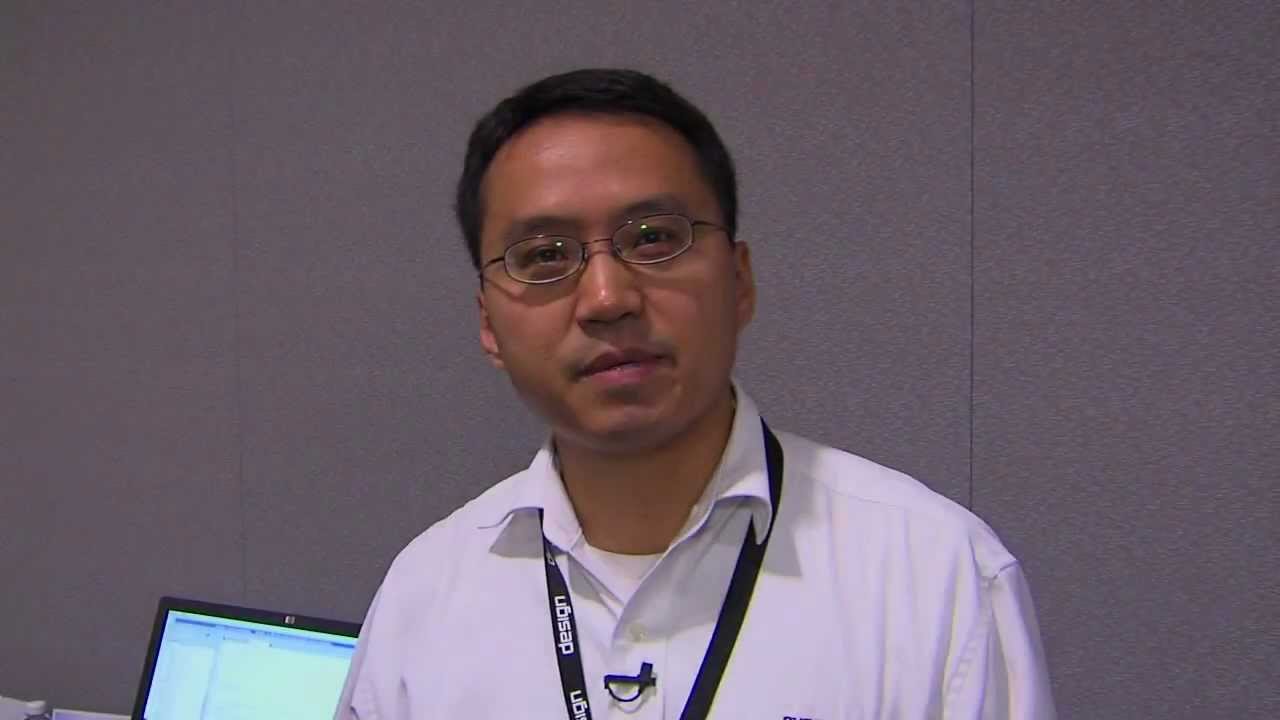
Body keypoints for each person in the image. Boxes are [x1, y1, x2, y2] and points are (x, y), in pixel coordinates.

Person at [335, 68, 1056, 719]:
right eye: (545, 255)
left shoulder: (935, 575)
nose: (608, 297)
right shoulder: (423, 596)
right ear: (490, 323)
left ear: (739, 282)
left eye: (653, 238)